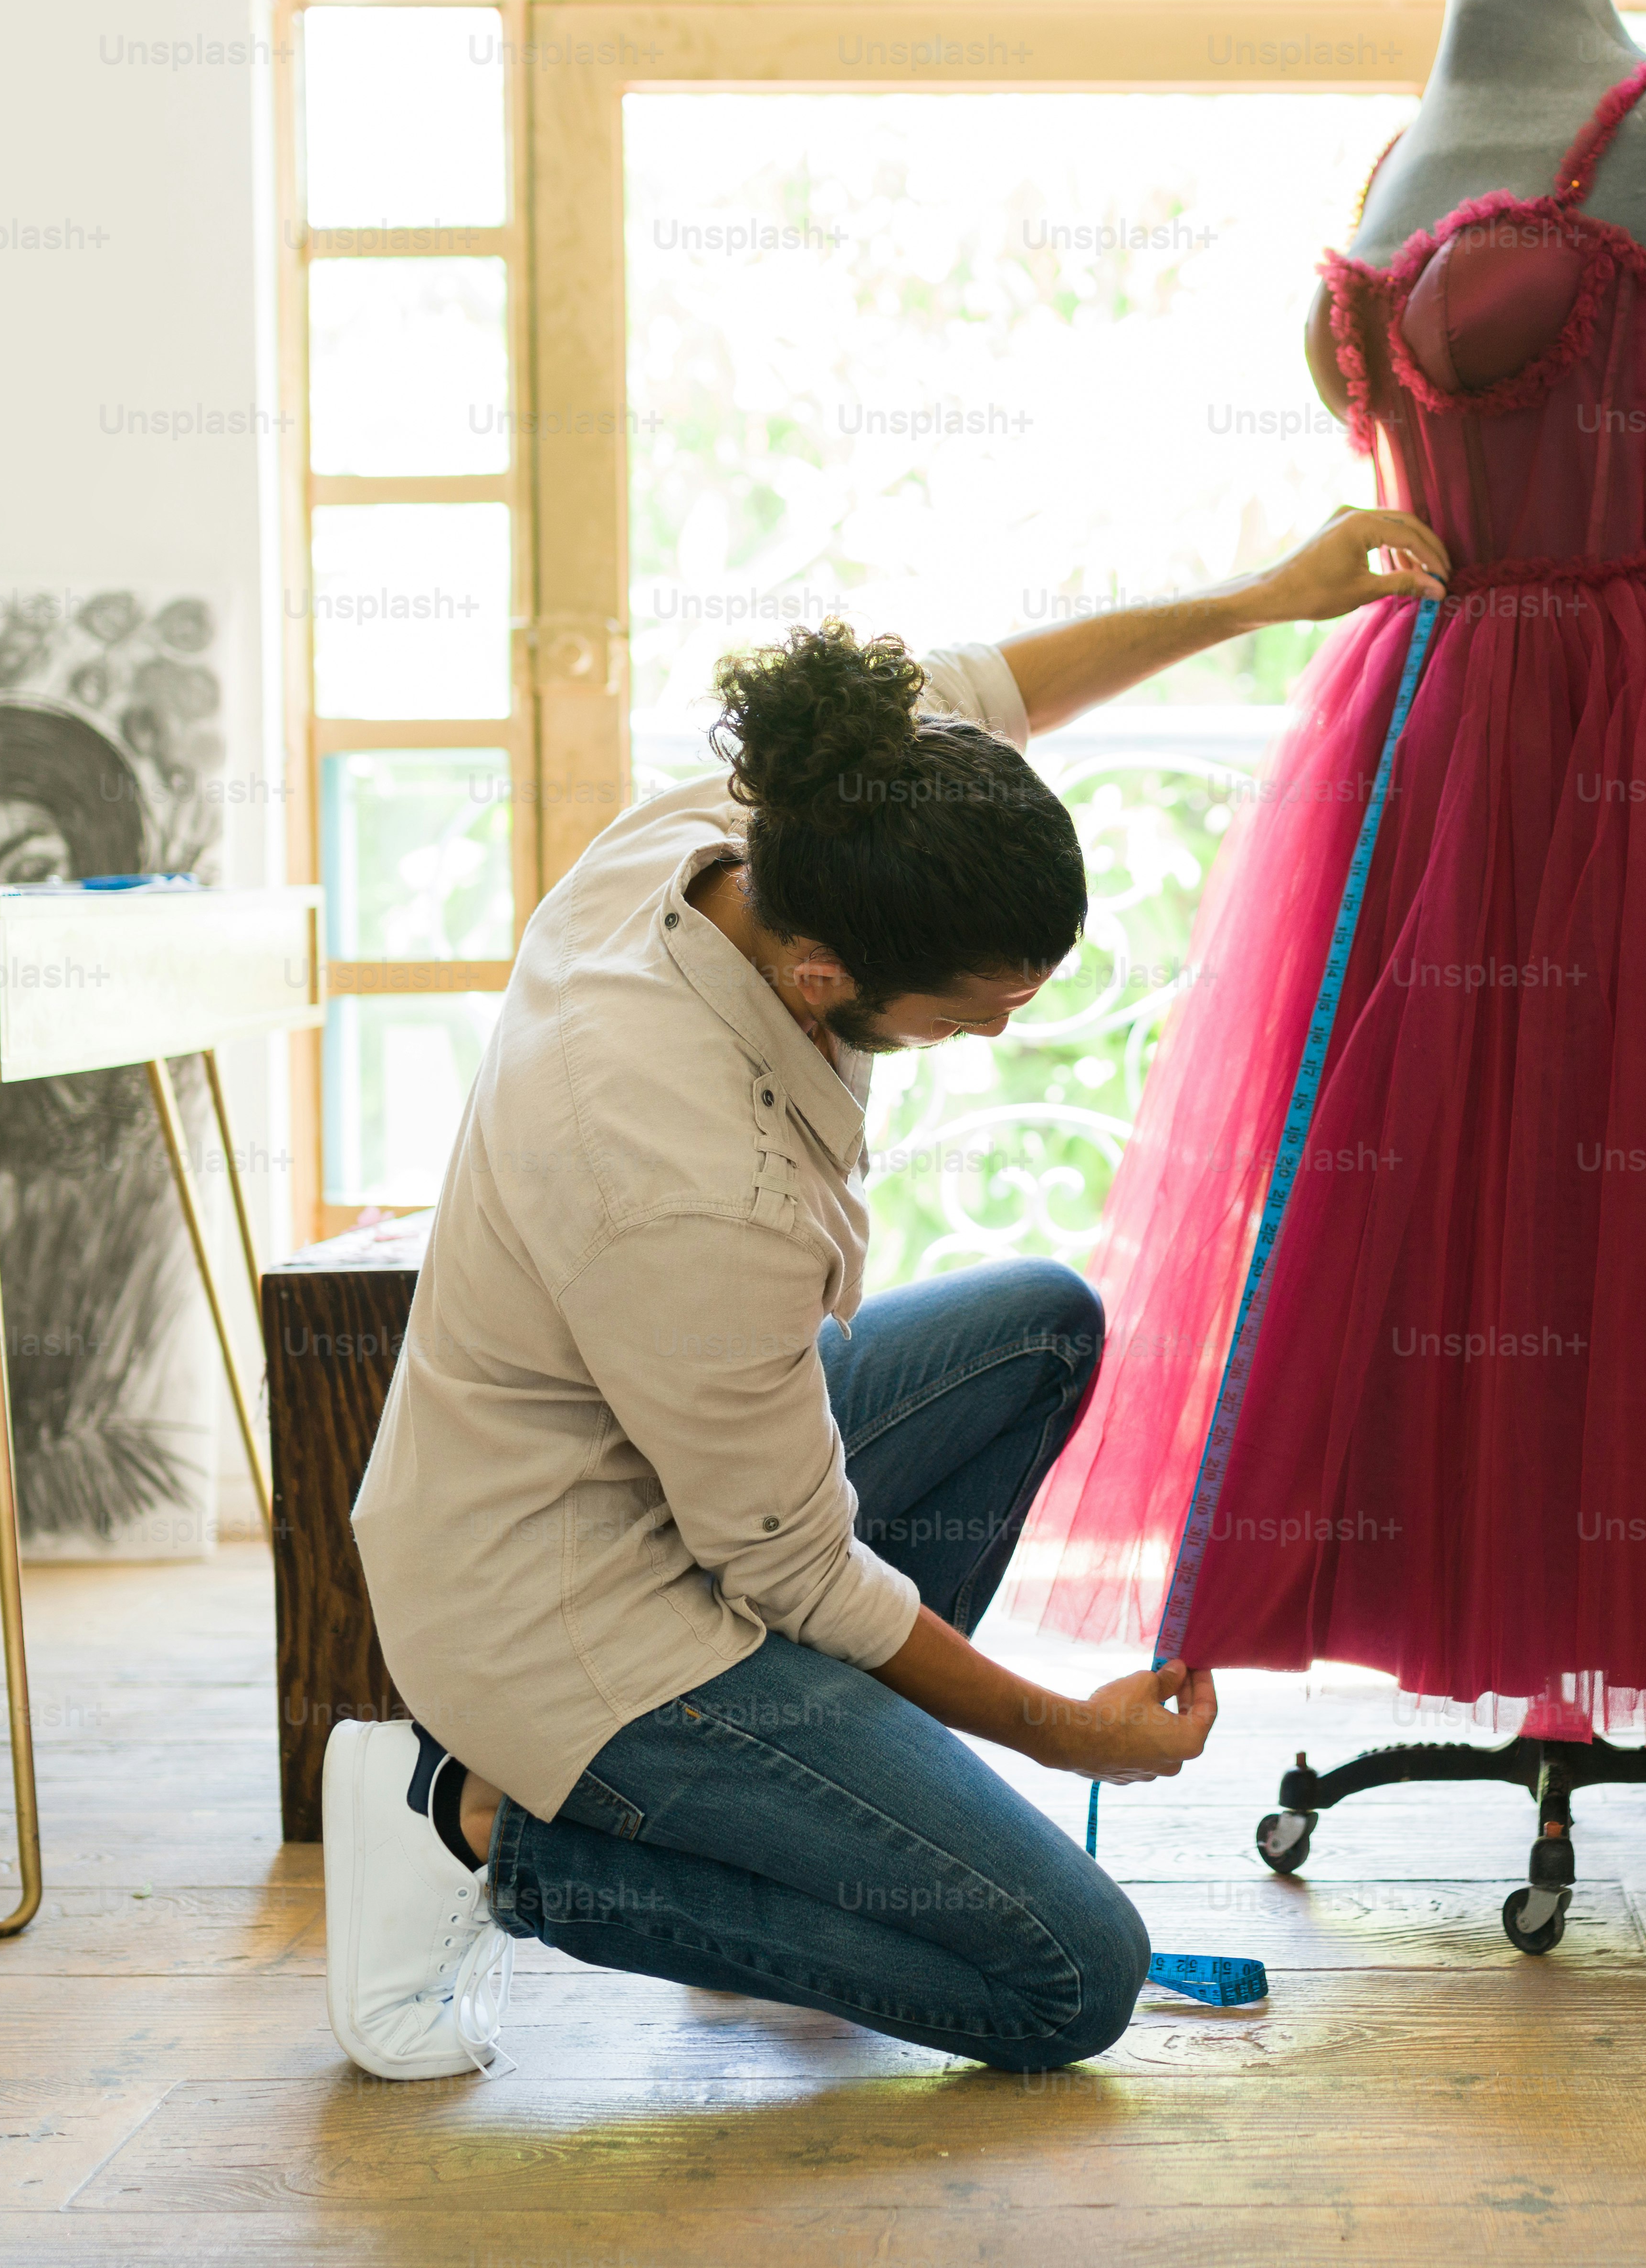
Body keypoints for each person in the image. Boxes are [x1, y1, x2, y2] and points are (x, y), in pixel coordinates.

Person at [325, 506, 1448, 2080]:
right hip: (573, 1607)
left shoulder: (784, 819)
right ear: (821, 981)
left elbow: (991, 685)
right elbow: (800, 1573)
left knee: (1038, 1323)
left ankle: (802, 1847)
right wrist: (1070, 1728)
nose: (1004, 1025)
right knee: (1070, 1979)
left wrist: (1268, 597)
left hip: (671, 1475)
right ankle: (480, 1825)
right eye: (981, 1003)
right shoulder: (681, 1171)